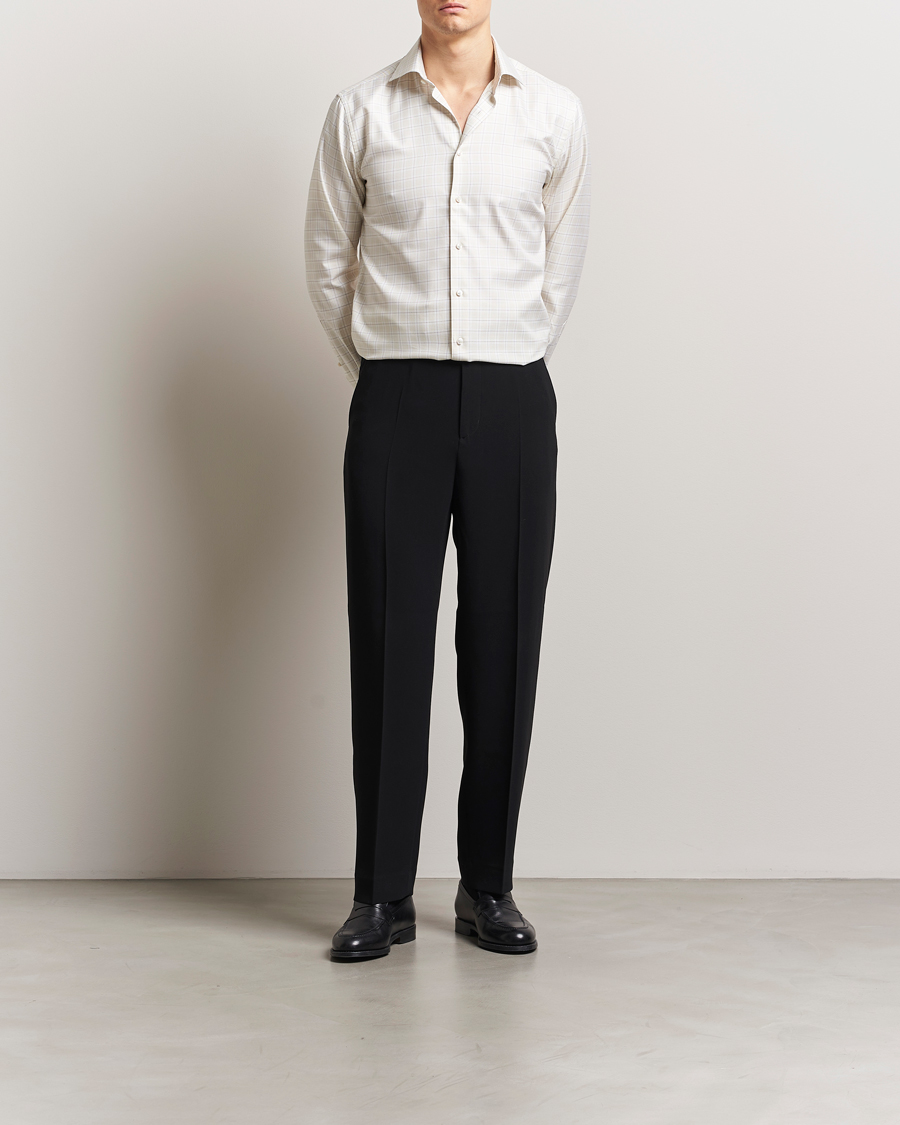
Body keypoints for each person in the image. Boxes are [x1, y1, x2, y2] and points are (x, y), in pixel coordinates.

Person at [305, 0, 590, 961]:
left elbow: (560, 268)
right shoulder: (360, 112)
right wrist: (386, 370)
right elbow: (328, 260)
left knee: (504, 638)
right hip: (398, 394)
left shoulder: (553, 113)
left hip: (512, 395)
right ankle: (381, 894)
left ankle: (487, 886)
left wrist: (505, 356)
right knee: (389, 639)